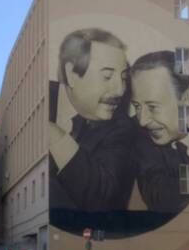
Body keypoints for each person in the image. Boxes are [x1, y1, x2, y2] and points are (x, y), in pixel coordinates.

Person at [48, 28, 136, 213]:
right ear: (72, 74)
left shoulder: (122, 128)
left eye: (123, 77)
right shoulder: (39, 101)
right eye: (107, 76)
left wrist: (55, 137)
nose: (120, 90)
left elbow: (104, 197)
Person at [129, 51, 189, 214]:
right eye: (137, 106)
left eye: (152, 107)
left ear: (186, 97)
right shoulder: (139, 132)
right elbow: (161, 198)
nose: (143, 120)